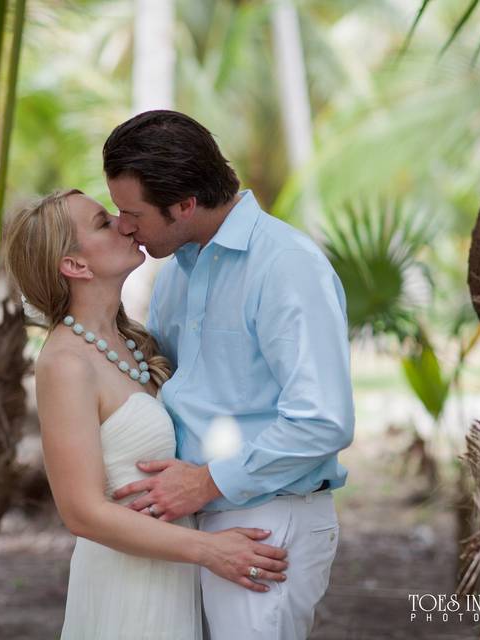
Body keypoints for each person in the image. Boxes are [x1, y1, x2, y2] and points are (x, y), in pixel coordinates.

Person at [103, 110, 355, 640]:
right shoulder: (176, 273)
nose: (123, 225)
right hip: (193, 525)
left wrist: (207, 482)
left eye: (133, 213)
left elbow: (324, 420)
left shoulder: (286, 266)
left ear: (185, 205)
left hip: (268, 520)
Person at [2, 189, 290, 640]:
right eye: (102, 222)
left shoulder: (135, 341)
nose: (124, 222)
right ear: (74, 265)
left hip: (174, 574)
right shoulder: (65, 364)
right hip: (127, 588)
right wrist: (209, 549)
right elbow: (82, 513)